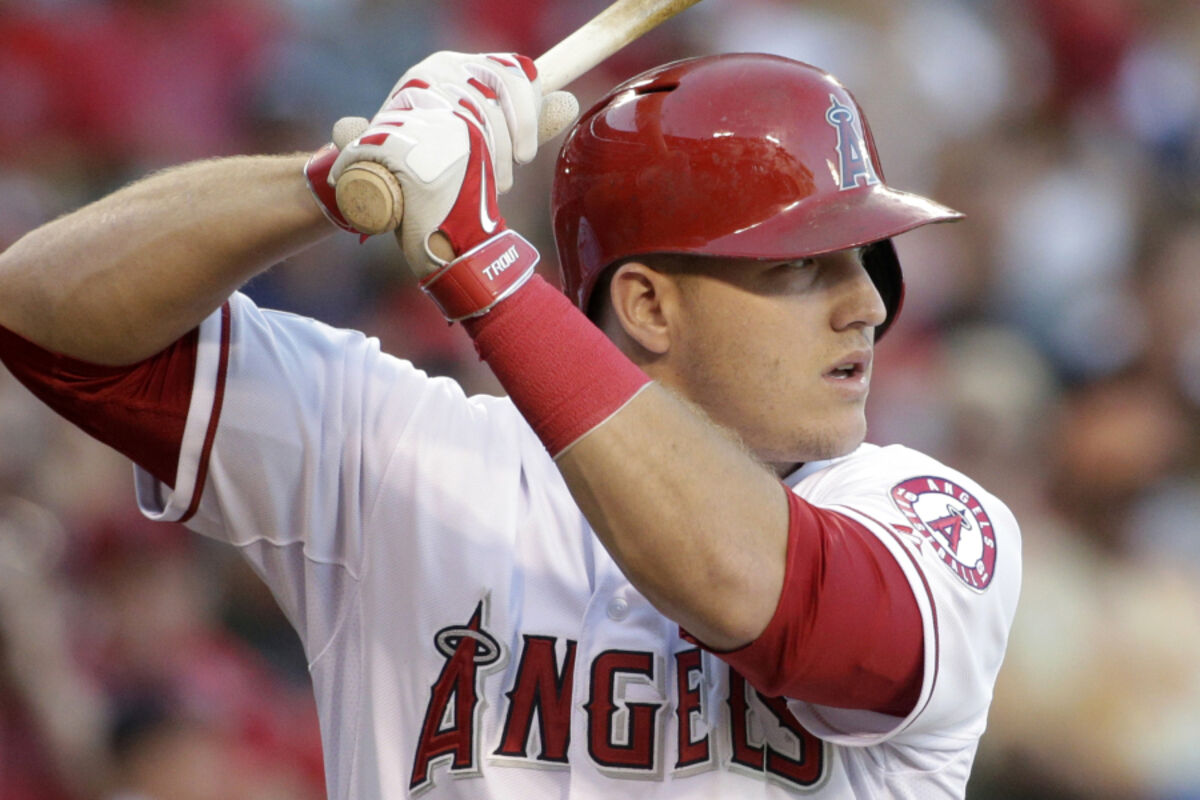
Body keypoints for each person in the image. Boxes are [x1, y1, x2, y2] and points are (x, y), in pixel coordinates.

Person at [0, 48, 1021, 799]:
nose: (868, 305)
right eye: (804, 267)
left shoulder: (931, 518)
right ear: (648, 305)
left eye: (865, 262)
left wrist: (479, 261)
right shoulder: (406, 451)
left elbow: (755, 588)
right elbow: (40, 317)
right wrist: (343, 180)